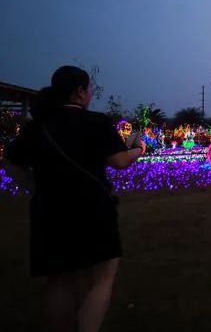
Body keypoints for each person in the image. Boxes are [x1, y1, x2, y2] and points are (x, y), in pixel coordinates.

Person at [3, 66, 145, 332]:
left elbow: (10, 162)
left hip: (48, 211)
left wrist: (33, 186)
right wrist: (138, 149)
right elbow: (119, 161)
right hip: (92, 208)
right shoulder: (96, 122)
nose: (90, 94)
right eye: (89, 89)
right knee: (102, 277)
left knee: (59, 281)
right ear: (79, 91)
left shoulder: (38, 127)